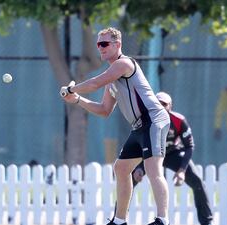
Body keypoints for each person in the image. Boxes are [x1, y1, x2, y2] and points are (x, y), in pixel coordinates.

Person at [60, 27, 171, 225]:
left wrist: (70, 89)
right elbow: (104, 110)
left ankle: (163, 220)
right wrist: (77, 99)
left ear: (117, 45)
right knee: (121, 168)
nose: (100, 48)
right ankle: (120, 221)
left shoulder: (124, 64)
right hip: (139, 126)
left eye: (104, 44)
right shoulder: (112, 79)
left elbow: (95, 83)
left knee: (153, 168)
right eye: (98, 44)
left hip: (154, 119)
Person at [132, 92, 214, 225]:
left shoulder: (179, 120)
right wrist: (139, 167)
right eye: (158, 103)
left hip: (172, 153)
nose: (161, 107)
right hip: (151, 154)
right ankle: (119, 219)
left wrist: (181, 170)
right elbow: (138, 145)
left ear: (170, 106)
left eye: (164, 104)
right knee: (129, 179)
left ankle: (207, 222)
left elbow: (189, 146)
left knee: (197, 182)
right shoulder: (144, 121)